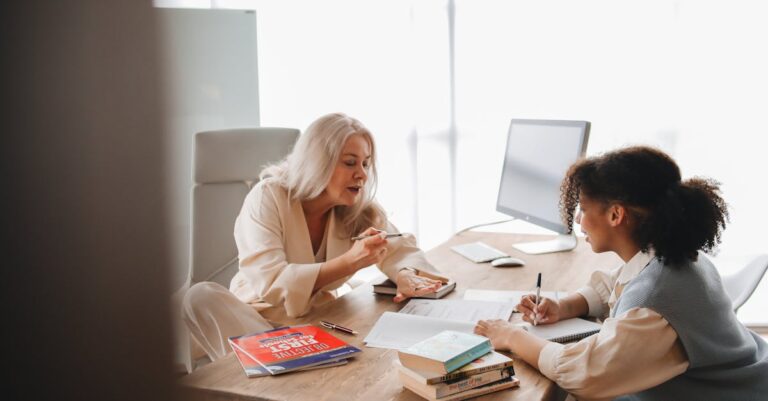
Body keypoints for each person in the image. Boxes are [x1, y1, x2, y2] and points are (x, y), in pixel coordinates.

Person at [474, 146, 768, 400]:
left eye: (583, 208)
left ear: (616, 215)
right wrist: (564, 306)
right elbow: (621, 282)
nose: (578, 218)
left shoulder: (655, 305)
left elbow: (584, 374)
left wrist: (512, 336)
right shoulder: (671, 256)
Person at [183, 113, 447, 361]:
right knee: (200, 296)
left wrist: (405, 275)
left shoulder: (359, 210)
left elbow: (399, 248)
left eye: (366, 163)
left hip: (315, 322)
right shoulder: (268, 197)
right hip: (254, 318)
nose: (362, 174)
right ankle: (277, 369)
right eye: (350, 162)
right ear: (319, 161)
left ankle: (287, 372)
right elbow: (273, 284)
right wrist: (349, 263)